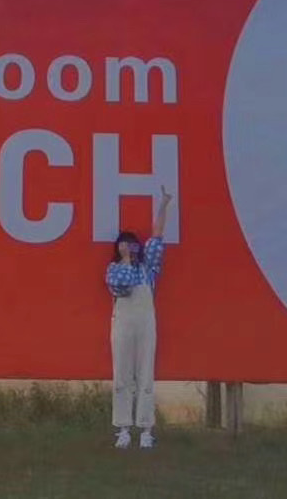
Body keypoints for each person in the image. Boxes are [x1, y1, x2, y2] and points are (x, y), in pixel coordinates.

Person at [105, 186, 173, 450]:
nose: (128, 247)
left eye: (131, 243)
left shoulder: (148, 269)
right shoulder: (114, 268)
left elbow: (157, 236)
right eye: (123, 243)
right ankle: (123, 429)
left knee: (145, 374)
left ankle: (146, 429)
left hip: (146, 323)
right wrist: (125, 259)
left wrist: (163, 205)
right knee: (122, 375)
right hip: (123, 323)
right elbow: (120, 287)